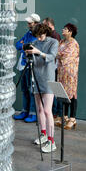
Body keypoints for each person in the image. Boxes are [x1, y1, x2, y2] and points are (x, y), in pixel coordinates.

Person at [25, 23, 59, 153]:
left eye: (40, 36)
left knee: (47, 110)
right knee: (39, 109)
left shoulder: (53, 42)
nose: (39, 39)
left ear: (45, 32)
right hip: (36, 77)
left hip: (48, 79)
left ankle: (52, 141)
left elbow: (51, 57)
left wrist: (38, 52)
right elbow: (33, 59)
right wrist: (29, 53)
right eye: (37, 36)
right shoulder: (34, 42)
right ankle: (43, 134)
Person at [14, 13, 41, 123]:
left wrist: (25, 45)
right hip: (24, 65)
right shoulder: (28, 33)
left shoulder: (39, 35)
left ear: (36, 23)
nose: (28, 24)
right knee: (24, 89)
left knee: (32, 90)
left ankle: (33, 113)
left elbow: (30, 47)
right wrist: (25, 46)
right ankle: (25, 111)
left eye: (30, 23)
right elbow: (18, 45)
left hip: (33, 66)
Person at [56, 23, 80, 130]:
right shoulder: (62, 41)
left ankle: (73, 118)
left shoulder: (73, 43)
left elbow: (64, 55)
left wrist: (57, 54)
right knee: (63, 93)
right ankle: (64, 116)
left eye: (65, 29)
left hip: (70, 72)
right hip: (61, 71)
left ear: (70, 32)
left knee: (72, 94)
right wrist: (57, 54)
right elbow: (56, 53)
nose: (63, 30)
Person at [42, 17, 61, 119]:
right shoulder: (51, 36)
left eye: (44, 24)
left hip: (52, 67)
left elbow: (54, 54)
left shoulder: (54, 37)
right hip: (50, 67)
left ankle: (55, 113)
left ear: (49, 24)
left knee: (53, 89)